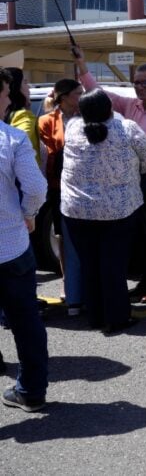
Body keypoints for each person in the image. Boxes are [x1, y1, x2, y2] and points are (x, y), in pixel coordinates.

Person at [72, 47, 146, 303]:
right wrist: (82, 65)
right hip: (130, 182)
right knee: (138, 236)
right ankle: (145, 281)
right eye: (136, 82)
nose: (140, 87)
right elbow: (99, 94)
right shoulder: (130, 105)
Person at [62, 89, 146, 334]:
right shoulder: (127, 128)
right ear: (109, 108)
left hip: (76, 210)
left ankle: (95, 315)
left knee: (89, 264)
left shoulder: (72, 127)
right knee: (113, 265)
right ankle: (117, 317)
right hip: (119, 209)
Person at [0, 68, 49, 412]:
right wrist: (28, 213)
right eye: (4, 94)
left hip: (12, 243)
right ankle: (31, 391)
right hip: (11, 245)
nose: (8, 100)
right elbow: (35, 187)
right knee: (25, 322)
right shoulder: (12, 139)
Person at [36, 79, 85, 312]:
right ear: (64, 96)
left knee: (83, 237)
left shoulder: (86, 116)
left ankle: (84, 286)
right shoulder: (47, 121)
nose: (82, 96)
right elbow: (47, 157)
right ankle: (69, 285)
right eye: (78, 93)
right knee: (63, 238)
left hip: (84, 186)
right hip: (59, 187)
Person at [2, 68, 40, 163]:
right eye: (25, 82)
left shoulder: (7, 112)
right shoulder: (23, 115)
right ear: (17, 87)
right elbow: (18, 142)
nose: (29, 87)